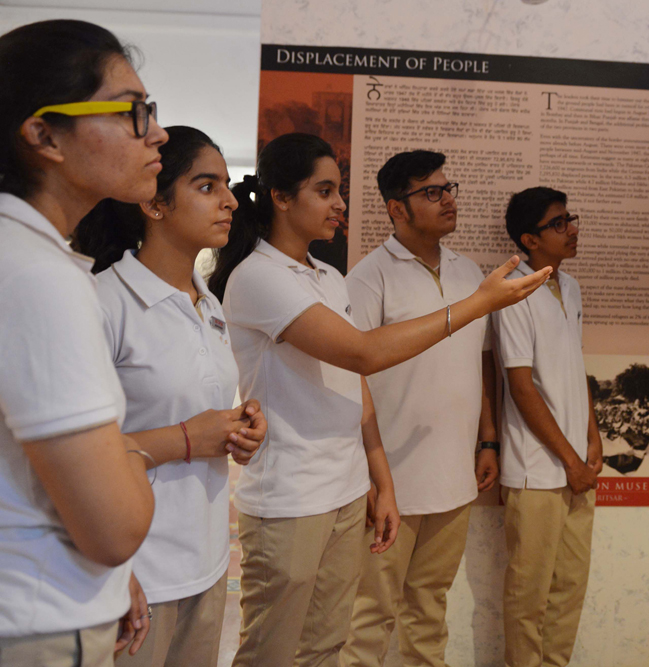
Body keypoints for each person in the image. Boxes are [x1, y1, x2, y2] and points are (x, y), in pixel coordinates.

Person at [208, 133, 551, 667]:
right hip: (292, 493)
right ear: (281, 196)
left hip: (349, 486)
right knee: (276, 650)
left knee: (327, 644)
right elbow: (364, 354)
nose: (339, 204)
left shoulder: (327, 276)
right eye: (325, 191)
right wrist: (479, 302)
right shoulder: (259, 277)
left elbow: (354, 386)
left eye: (338, 191)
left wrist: (380, 480)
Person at [73, 126, 267, 667]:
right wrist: (187, 438)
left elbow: (195, 411)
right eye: (207, 186)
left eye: (226, 184)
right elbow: (69, 456)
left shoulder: (208, 303)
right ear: (154, 204)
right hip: (134, 572)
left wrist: (238, 428)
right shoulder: (104, 302)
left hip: (207, 561)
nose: (230, 200)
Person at [0, 19, 162, 665]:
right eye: (132, 111)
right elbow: (115, 529)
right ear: (44, 135)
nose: (156, 132)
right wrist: (135, 452)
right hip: (39, 618)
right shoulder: (37, 275)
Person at [340, 151, 501, 666]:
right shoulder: (369, 277)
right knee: (370, 616)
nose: (448, 199)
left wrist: (488, 439)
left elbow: (478, 364)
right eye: (431, 192)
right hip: (392, 481)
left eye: (448, 188)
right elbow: (349, 375)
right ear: (397, 208)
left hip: (454, 477)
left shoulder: (470, 273)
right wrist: (369, 474)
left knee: (429, 609)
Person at [494, 187, 602, 667]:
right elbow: (521, 388)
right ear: (529, 240)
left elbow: (574, 368)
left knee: (569, 589)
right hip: (536, 470)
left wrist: (592, 436)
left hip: (578, 467)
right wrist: (571, 460)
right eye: (559, 223)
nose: (571, 229)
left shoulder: (570, 287)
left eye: (569, 219)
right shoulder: (513, 291)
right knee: (529, 596)